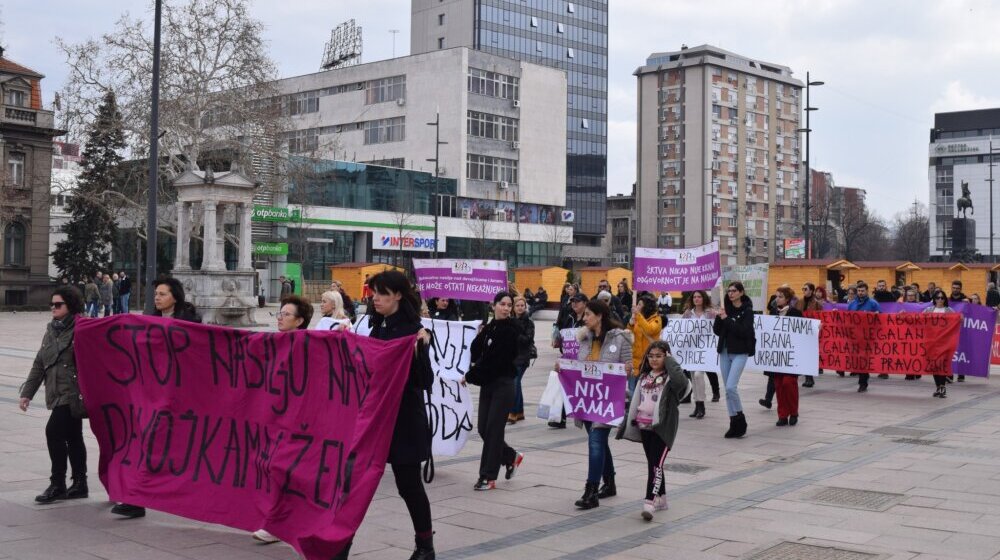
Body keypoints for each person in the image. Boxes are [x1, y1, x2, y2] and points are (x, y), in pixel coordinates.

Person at [328, 271, 436, 560]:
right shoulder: (378, 326)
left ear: (398, 295)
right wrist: (344, 342)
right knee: (356, 482)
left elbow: (426, 382)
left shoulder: (416, 330)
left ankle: (425, 546)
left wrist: (419, 350)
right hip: (374, 420)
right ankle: (341, 545)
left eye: (382, 293)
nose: (375, 298)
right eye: (374, 292)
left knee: (409, 486)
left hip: (403, 421)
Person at [109, 277, 204, 520]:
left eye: (162, 294)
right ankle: (135, 498)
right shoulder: (148, 319)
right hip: (153, 395)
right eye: (156, 294)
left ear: (175, 296)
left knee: (178, 449)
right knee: (146, 444)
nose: (157, 298)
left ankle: (190, 491)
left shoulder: (190, 321)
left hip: (180, 396)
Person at [253, 295, 315, 545]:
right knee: (274, 468)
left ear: (300, 321)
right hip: (275, 418)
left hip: (299, 421)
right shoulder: (274, 342)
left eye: (286, 314)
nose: (279, 317)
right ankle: (280, 521)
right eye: (279, 313)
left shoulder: (310, 344)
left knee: (282, 469)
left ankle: (278, 524)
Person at [18, 287, 89, 504]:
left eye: (58, 304)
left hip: (74, 394)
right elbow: (39, 364)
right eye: (52, 304)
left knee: (53, 432)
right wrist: (27, 393)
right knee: (73, 436)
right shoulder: (51, 330)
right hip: (56, 392)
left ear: (71, 306)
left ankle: (57, 484)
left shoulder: (82, 328)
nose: (53, 308)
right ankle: (80, 484)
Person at [615, 340, 688, 521]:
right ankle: (661, 498)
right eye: (651, 356)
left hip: (662, 429)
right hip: (644, 426)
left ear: (666, 357)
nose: (654, 360)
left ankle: (650, 501)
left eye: (659, 356)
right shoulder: (644, 376)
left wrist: (671, 361)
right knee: (653, 464)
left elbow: (682, 383)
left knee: (656, 465)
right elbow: (636, 397)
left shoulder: (671, 378)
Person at [573, 300, 633, 510]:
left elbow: (629, 367)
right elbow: (577, 364)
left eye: (588, 314)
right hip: (588, 399)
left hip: (609, 399)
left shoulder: (620, 338)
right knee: (597, 440)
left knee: (596, 441)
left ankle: (591, 491)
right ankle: (610, 482)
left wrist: (626, 369)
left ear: (599, 316)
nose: (584, 318)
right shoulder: (584, 338)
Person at [468, 292, 525, 490]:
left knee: (493, 429)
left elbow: (495, 360)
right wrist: (481, 335)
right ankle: (511, 457)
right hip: (488, 384)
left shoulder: (511, 329)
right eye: (502, 304)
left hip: (503, 383)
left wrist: (469, 376)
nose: (506, 308)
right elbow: (475, 352)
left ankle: (488, 476)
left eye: (509, 305)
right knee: (483, 428)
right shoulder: (491, 327)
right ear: (493, 306)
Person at [713, 281, 754, 439]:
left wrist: (727, 320)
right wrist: (719, 317)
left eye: (734, 291)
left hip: (740, 352)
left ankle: (740, 418)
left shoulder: (747, 311)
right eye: (729, 291)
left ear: (741, 293)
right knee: (727, 390)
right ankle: (733, 422)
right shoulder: (726, 308)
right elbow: (717, 331)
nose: (730, 293)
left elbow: (744, 332)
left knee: (731, 387)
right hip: (724, 351)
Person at [550, 294, 587, 428]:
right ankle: (560, 417)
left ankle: (585, 414)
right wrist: (557, 340)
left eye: (577, 302)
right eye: (572, 302)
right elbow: (562, 333)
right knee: (563, 386)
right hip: (568, 357)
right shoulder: (569, 317)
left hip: (583, 359)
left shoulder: (588, 319)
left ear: (584, 303)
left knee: (581, 388)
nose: (574, 304)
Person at [769, 287, 804, 426]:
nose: (777, 299)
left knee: (788, 383)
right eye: (776, 296)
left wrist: (816, 328)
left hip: (791, 356)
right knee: (778, 385)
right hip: (777, 356)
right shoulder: (772, 313)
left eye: (781, 296)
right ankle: (782, 415)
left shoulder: (795, 313)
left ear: (787, 299)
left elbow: (804, 330)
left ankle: (794, 412)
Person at [681, 290, 716, 418]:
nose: (696, 299)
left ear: (704, 298)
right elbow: (681, 330)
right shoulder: (687, 313)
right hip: (691, 350)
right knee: (693, 377)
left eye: (699, 296)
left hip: (705, 349)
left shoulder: (711, 313)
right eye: (694, 297)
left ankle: (702, 404)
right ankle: (697, 405)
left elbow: (716, 329)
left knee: (698, 375)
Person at [847, 281, 880, 393]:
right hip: (855, 337)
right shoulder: (852, 304)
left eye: (862, 291)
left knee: (864, 359)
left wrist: (877, 315)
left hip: (868, 337)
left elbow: (882, 318)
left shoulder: (873, 303)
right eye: (859, 291)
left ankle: (863, 382)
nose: (860, 293)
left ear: (867, 291)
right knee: (858, 359)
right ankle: (863, 378)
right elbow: (846, 319)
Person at [629, 295, 663, 400]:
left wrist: (638, 315)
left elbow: (650, 330)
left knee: (644, 392)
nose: (637, 306)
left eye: (639, 304)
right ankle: (632, 414)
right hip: (635, 360)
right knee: (632, 392)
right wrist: (630, 324)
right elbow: (629, 335)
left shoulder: (656, 319)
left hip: (647, 361)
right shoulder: (638, 318)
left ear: (646, 307)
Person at [508, 295, 535, 424]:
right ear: (514, 307)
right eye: (517, 305)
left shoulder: (529, 322)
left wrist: (516, 332)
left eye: (522, 306)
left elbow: (527, 340)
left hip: (523, 357)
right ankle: (520, 412)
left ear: (525, 307)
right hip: (512, 357)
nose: (520, 308)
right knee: (516, 384)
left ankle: (513, 412)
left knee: (514, 383)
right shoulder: (511, 320)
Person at [924, 289, 955, 398]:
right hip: (932, 343)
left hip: (944, 343)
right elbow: (919, 321)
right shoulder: (928, 310)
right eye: (938, 297)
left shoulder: (949, 311)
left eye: (942, 298)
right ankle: (938, 387)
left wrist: (961, 319)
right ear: (934, 299)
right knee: (934, 366)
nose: (940, 300)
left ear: (945, 299)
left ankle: (942, 387)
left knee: (942, 365)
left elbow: (956, 324)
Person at [796, 282, 824, 388]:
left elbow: (821, 317)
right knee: (800, 354)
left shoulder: (817, 303)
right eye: (803, 289)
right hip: (800, 332)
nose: (804, 291)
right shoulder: (799, 302)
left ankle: (809, 378)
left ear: (811, 291)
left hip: (811, 333)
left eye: (806, 289)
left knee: (809, 355)